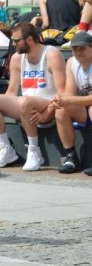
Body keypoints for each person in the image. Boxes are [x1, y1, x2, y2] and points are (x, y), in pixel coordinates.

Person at [0, 21, 65, 171]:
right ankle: (6, 149)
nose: (13, 44)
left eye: (16, 41)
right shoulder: (16, 58)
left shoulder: (51, 54)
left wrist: (47, 113)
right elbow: (11, 91)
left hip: (48, 104)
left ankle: (35, 152)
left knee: (25, 102)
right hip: (26, 106)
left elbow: (62, 92)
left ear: (29, 39)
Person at [49, 31, 92, 174]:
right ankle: (71, 157)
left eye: (82, 48)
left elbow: (72, 98)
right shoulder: (72, 63)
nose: (78, 52)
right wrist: (60, 100)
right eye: (75, 49)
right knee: (61, 109)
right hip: (84, 105)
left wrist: (70, 99)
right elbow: (69, 92)